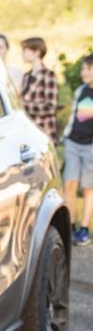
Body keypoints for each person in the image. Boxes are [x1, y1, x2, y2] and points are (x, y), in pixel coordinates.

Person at [62, 53, 93, 246]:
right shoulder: (80, 90)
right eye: (83, 69)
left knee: (88, 189)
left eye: (88, 69)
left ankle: (84, 229)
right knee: (69, 185)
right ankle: (71, 225)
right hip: (73, 143)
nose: (84, 72)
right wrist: (65, 136)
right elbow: (74, 117)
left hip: (90, 147)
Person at [20, 37, 58, 143]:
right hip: (29, 131)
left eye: (25, 50)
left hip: (44, 131)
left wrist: (24, 105)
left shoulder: (48, 75)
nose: (22, 54)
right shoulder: (26, 76)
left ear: (37, 52)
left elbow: (50, 107)